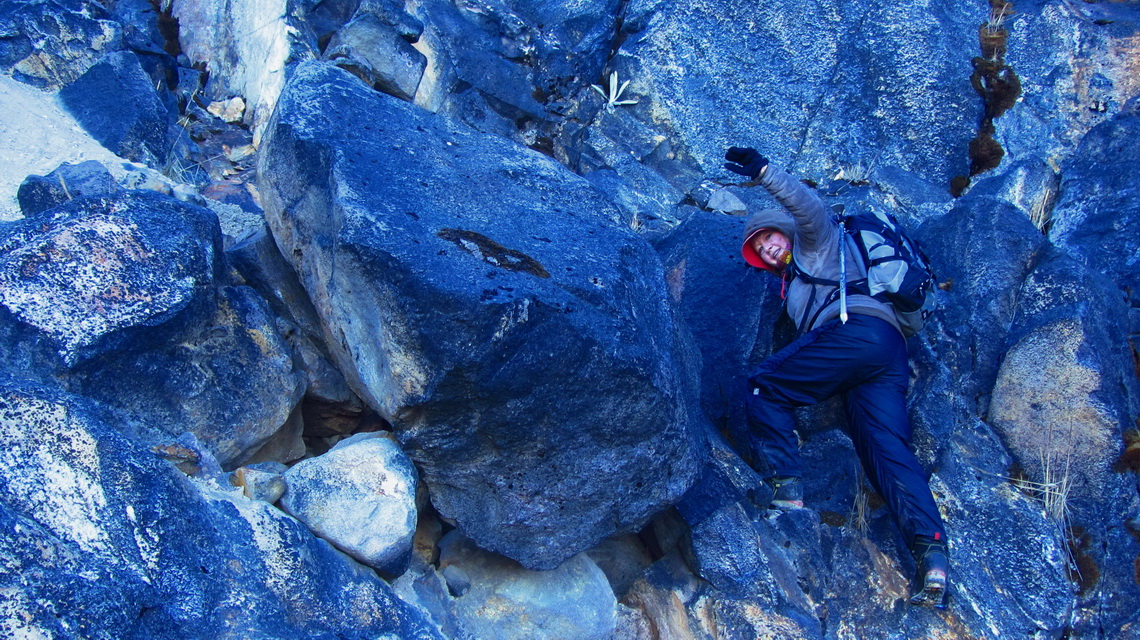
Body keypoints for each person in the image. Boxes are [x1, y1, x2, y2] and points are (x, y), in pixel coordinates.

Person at [724, 146, 950, 608]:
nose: (767, 248)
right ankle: (933, 559)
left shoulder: (818, 240)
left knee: (762, 385)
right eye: (760, 249)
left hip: (858, 332)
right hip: (884, 354)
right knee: (886, 453)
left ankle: (787, 493)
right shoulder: (795, 285)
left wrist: (764, 172)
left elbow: (808, 207)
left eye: (769, 237)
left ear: (785, 232)